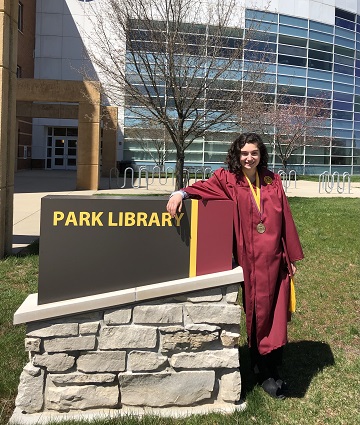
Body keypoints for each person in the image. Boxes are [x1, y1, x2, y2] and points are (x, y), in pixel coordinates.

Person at [166, 132, 304, 400]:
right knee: (258, 312)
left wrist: (290, 256)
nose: (249, 158)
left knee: (275, 311)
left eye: (254, 152)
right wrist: (180, 193)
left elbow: (284, 216)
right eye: (244, 153)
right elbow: (202, 187)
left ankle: (273, 362)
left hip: (275, 257)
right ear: (236, 155)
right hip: (251, 260)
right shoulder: (228, 179)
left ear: (261, 154)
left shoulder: (271, 180)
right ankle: (263, 370)